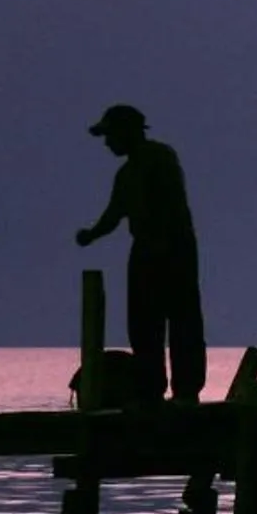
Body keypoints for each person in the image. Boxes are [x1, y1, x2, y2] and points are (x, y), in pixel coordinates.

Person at [75, 104, 205, 404]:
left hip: (174, 247)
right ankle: (151, 390)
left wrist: (160, 239)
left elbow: (168, 203)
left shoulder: (160, 157)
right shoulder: (126, 173)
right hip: (146, 248)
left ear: (127, 132)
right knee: (144, 325)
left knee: (182, 321)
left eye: (110, 135)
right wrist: (91, 234)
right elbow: (114, 214)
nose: (107, 143)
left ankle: (186, 390)